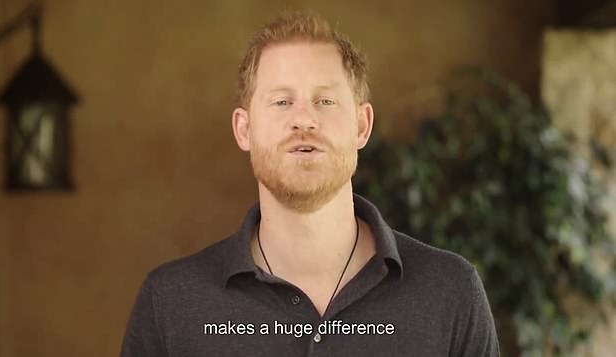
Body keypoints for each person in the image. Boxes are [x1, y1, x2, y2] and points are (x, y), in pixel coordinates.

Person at [120, 10, 499, 357]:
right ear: (244, 129)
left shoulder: (451, 291)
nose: (304, 120)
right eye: (282, 102)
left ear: (362, 126)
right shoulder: (170, 303)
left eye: (326, 101)